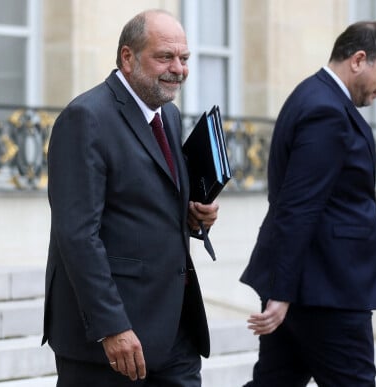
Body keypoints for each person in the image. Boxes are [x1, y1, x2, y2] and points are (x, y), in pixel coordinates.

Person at [42, 9, 219, 387]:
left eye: (184, 58)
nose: (178, 69)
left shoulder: (166, 115)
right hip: (111, 341)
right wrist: (112, 327)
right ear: (127, 57)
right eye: (165, 57)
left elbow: (145, 202)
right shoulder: (85, 118)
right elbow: (77, 235)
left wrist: (192, 214)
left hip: (173, 329)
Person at [240, 21, 376, 387]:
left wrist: (284, 290)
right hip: (327, 290)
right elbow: (300, 205)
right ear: (359, 59)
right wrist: (282, 292)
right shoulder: (325, 110)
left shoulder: (314, 96)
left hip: (310, 283)